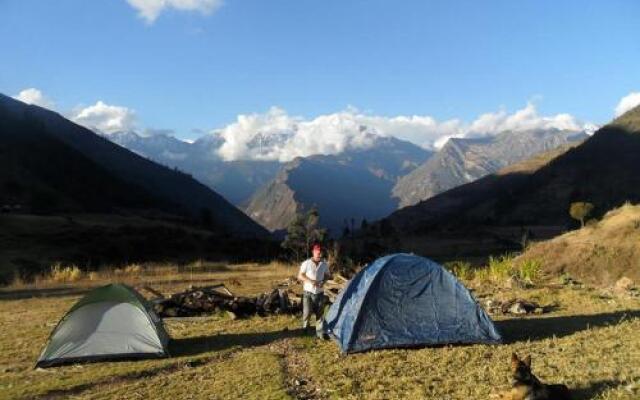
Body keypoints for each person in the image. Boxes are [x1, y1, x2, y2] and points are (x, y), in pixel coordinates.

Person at [297, 243, 331, 338]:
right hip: (308, 292)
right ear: (313, 252)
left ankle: (319, 333)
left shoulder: (324, 264)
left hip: (320, 293)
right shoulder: (306, 263)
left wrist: (323, 282)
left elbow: (328, 275)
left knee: (320, 314)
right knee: (307, 313)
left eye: (320, 252)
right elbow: (300, 276)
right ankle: (305, 330)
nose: (319, 253)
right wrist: (311, 281)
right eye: (317, 251)